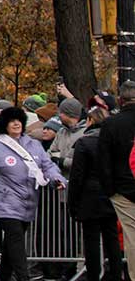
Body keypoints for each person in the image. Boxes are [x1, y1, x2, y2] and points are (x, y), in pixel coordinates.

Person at [0, 105, 64, 281]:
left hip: (28, 201)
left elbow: (47, 165)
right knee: (16, 239)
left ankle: (4, 276)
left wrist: (57, 179)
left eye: (18, 120)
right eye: (11, 121)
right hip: (5, 202)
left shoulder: (34, 145)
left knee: (10, 243)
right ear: (4, 125)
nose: (16, 124)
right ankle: (24, 277)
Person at [68, 106, 120, 281]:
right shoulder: (114, 142)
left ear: (90, 121)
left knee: (91, 241)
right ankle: (115, 273)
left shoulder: (84, 143)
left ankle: (93, 275)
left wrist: (73, 203)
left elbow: (77, 176)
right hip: (111, 194)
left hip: (89, 197)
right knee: (111, 238)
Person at [96, 81, 135, 270]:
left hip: (123, 189)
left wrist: (110, 190)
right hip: (123, 186)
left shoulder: (111, 124)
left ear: (121, 100)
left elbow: (104, 159)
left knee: (132, 237)